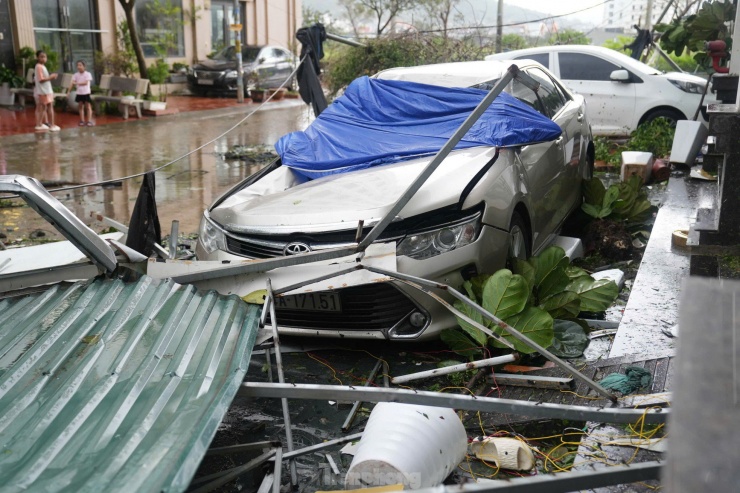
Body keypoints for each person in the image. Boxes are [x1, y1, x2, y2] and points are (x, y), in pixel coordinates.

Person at [34, 50, 60, 132]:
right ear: (37, 57)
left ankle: (39, 124)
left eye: (45, 56)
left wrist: (50, 77)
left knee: (44, 107)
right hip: (45, 91)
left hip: (45, 90)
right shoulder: (39, 67)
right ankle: (52, 125)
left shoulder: (41, 66)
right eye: (41, 56)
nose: (43, 58)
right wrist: (51, 77)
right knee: (49, 106)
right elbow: (41, 80)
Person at [70, 60, 94, 126]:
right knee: (80, 106)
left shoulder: (88, 74)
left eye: (80, 65)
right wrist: (68, 91)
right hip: (79, 92)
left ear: (84, 66)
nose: (79, 67)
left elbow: (86, 82)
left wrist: (77, 83)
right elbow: (72, 83)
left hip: (86, 92)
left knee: (88, 106)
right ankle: (82, 120)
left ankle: (89, 121)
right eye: (78, 65)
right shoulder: (75, 75)